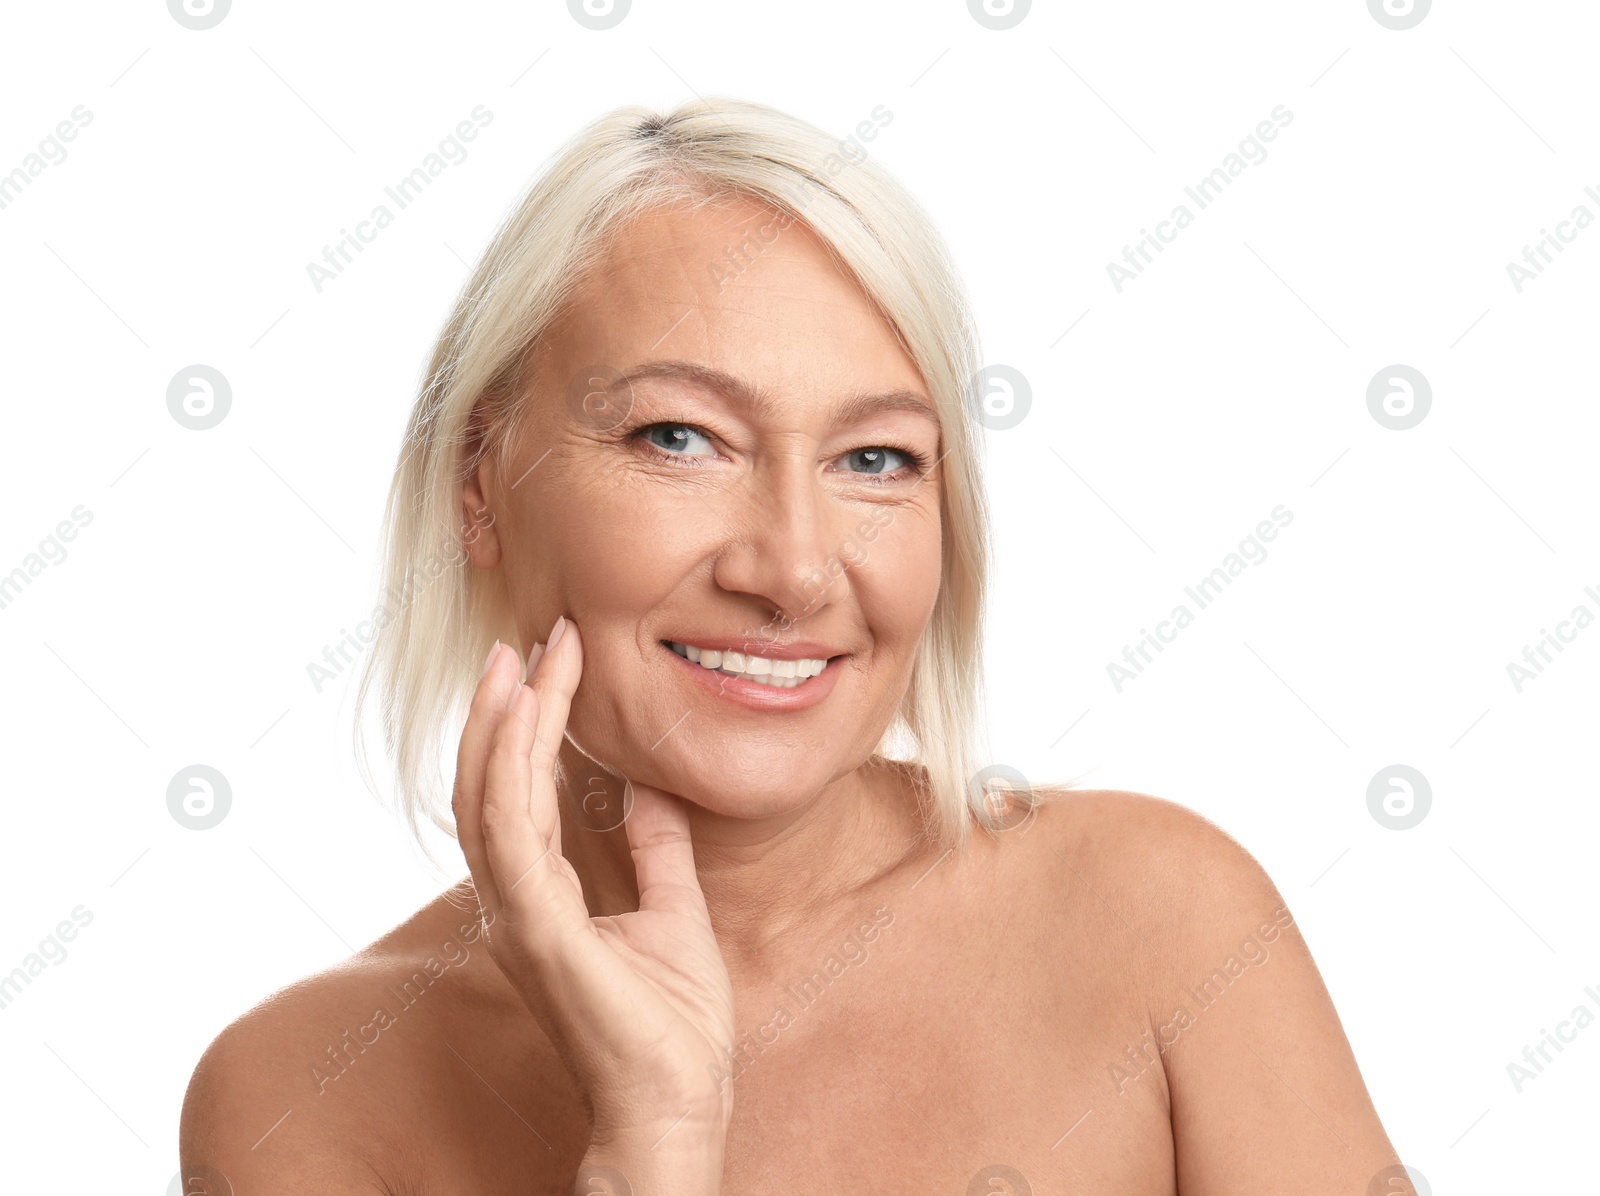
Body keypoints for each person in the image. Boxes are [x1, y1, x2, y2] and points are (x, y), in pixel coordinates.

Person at [180, 97, 1404, 1194]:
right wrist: (654, 1131)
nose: (793, 568)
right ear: (480, 487)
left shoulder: (1163, 922)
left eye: (874, 459)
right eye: (679, 437)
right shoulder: (300, 1094)